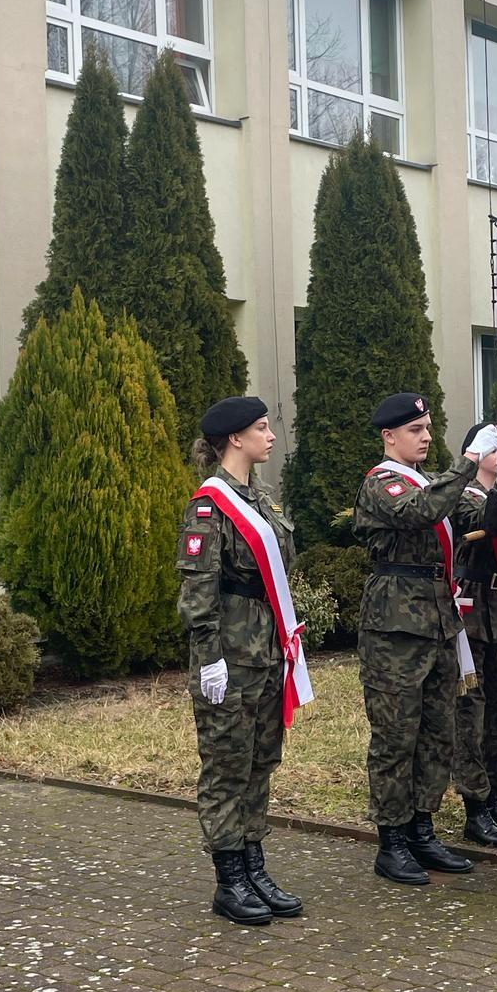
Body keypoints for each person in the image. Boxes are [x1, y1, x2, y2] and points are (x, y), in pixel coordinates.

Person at [353, 392, 497, 885]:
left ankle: (422, 829)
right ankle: (392, 841)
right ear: (389, 436)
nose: (425, 437)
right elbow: (421, 510)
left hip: (439, 620)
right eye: (415, 430)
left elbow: (477, 519)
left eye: (427, 428)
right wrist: (469, 461)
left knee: (437, 732)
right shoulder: (383, 482)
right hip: (396, 626)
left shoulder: (431, 482)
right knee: (397, 737)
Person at [178, 395, 312, 926]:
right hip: (230, 661)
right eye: (261, 427)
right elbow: (198, 594)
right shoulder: (209, 508)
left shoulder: (262, 500)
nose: (271, 435)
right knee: (227, 768)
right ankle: (228, 878)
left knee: (260, 763)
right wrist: (210, 658)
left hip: (267, 654)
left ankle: (254, 866)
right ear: (235, 438)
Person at [451, 422, 497, 847]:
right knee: (470, 712)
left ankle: (495, 797)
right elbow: (484, 523)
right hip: (471, 611)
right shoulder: (463, 495)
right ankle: (474, 805)